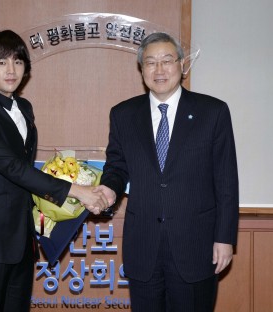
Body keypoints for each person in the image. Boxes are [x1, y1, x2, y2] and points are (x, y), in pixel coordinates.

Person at [0, 29, 108, 312]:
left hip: (22, 240)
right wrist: (78, 191)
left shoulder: (24, 107)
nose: (11, 70)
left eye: (18, 61)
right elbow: (12, 168)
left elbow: (24, 168)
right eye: (1, 62)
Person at [96, 32, 239, 312]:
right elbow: (117, 166)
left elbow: (226, 181)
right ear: (141, 69)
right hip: (143, 245)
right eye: (150, 62)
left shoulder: (213, 112)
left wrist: (225, 237)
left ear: (182, 64)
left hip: (196, 245)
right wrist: (108, 188)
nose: (159, 70)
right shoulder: (123, 115)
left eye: (166, 60)